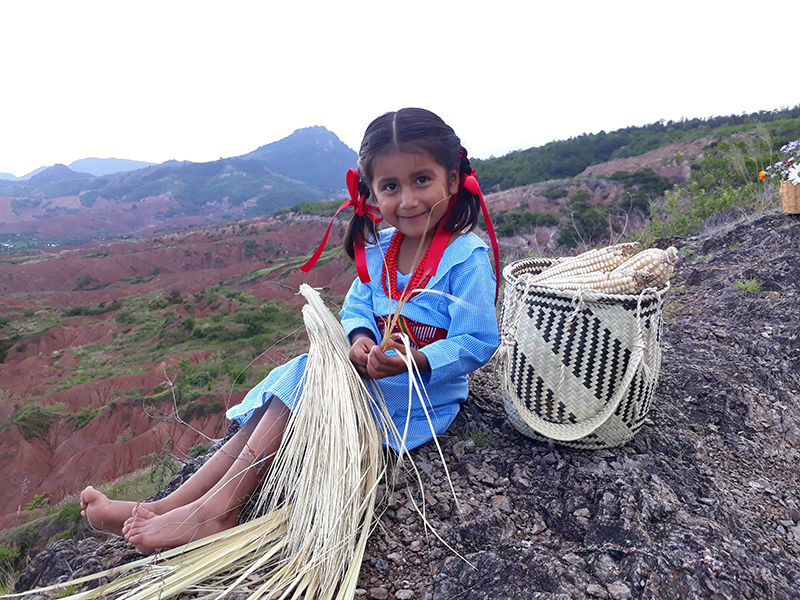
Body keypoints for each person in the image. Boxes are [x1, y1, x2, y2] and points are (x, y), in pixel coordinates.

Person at [80, 107, 500, 554]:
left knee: (303, 384)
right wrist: (359, 341)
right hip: (369, 377)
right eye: (390, 186)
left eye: (422, 180)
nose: (408, 199)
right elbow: (358, 306)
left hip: (418, 396)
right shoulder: (381, 251)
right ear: (372, 193)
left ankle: (217, 512)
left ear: (453, 180)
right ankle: (169, 505)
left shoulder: (465, 257)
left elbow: (477, 340)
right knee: (287, 393)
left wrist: (412, 360)